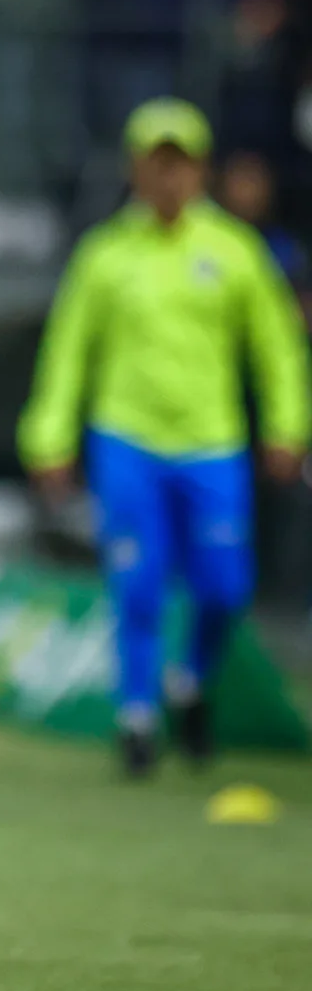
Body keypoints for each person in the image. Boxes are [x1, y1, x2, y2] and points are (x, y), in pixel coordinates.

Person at [19, 98, 310, 776]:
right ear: (136, 169)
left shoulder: (236, 252)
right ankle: (138, 717)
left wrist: (288, 425)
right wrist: (48, 437)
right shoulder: (106, 255)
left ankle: (189, 681)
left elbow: (277, 349)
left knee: (224, 589)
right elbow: (68, 352)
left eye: (180, 163)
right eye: (157, 163)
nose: (169, 177)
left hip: (213, 444)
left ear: (201, 169)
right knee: (139, 583)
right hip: (127, 441)